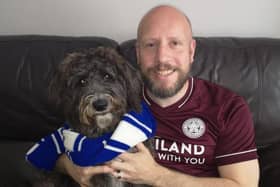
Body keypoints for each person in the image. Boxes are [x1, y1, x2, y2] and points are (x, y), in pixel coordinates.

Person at [55, 5, 260, 187]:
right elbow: (60, 144)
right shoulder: (116, 97)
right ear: (138, 52)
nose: (162, 58)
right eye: (151, 45)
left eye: (174, 43)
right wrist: (69, 165)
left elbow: (244, 184)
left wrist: (157, 177)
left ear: (191, 50)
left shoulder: (228, 107)